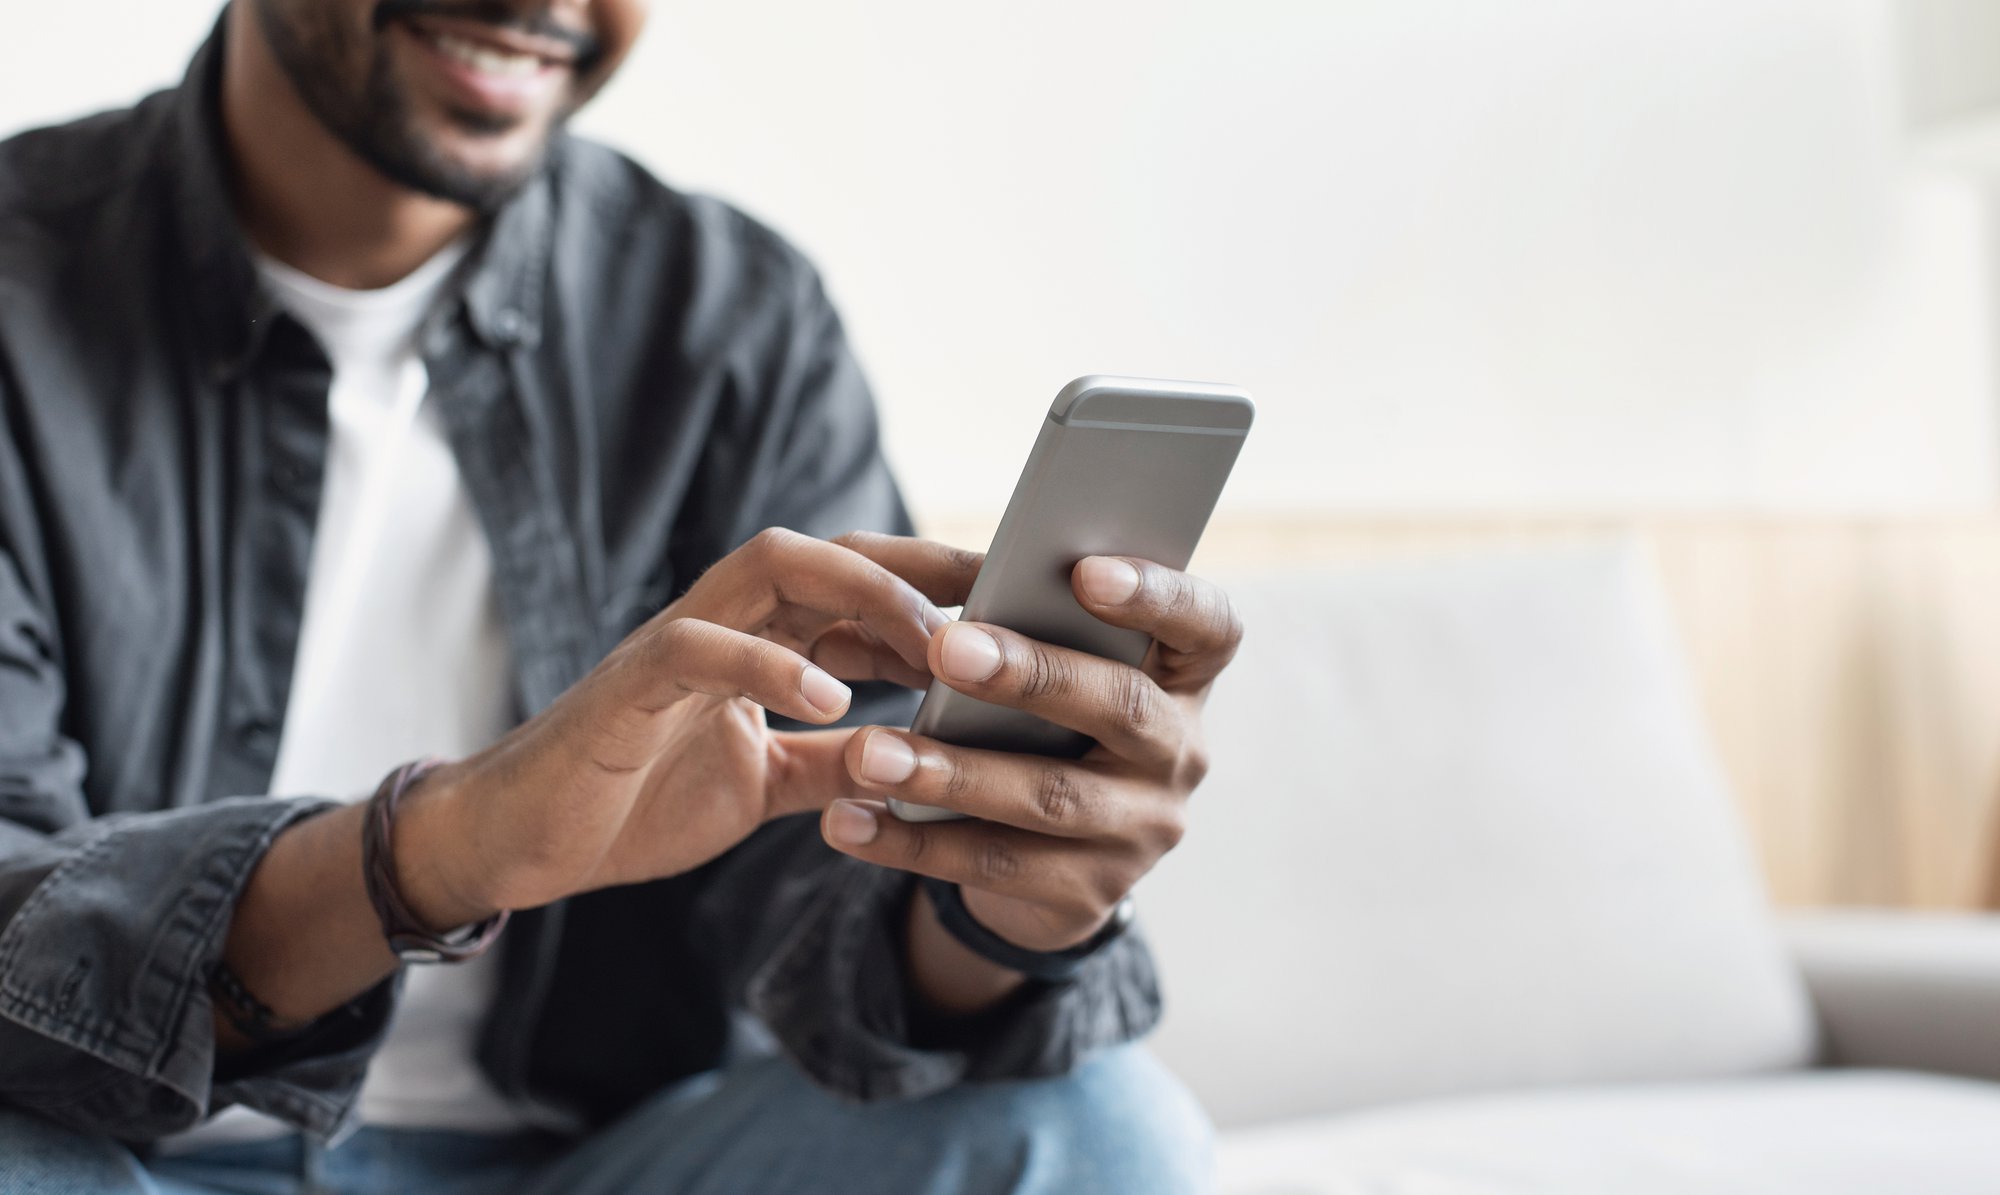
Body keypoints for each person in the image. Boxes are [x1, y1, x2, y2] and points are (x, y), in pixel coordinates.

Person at [0, 1, 1244, 1191]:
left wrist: (998, 911)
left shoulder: (731, 320)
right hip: (112, 1159)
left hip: (588, 1163)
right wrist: (441, 849)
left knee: (1094, 1132)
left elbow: (828, 922)